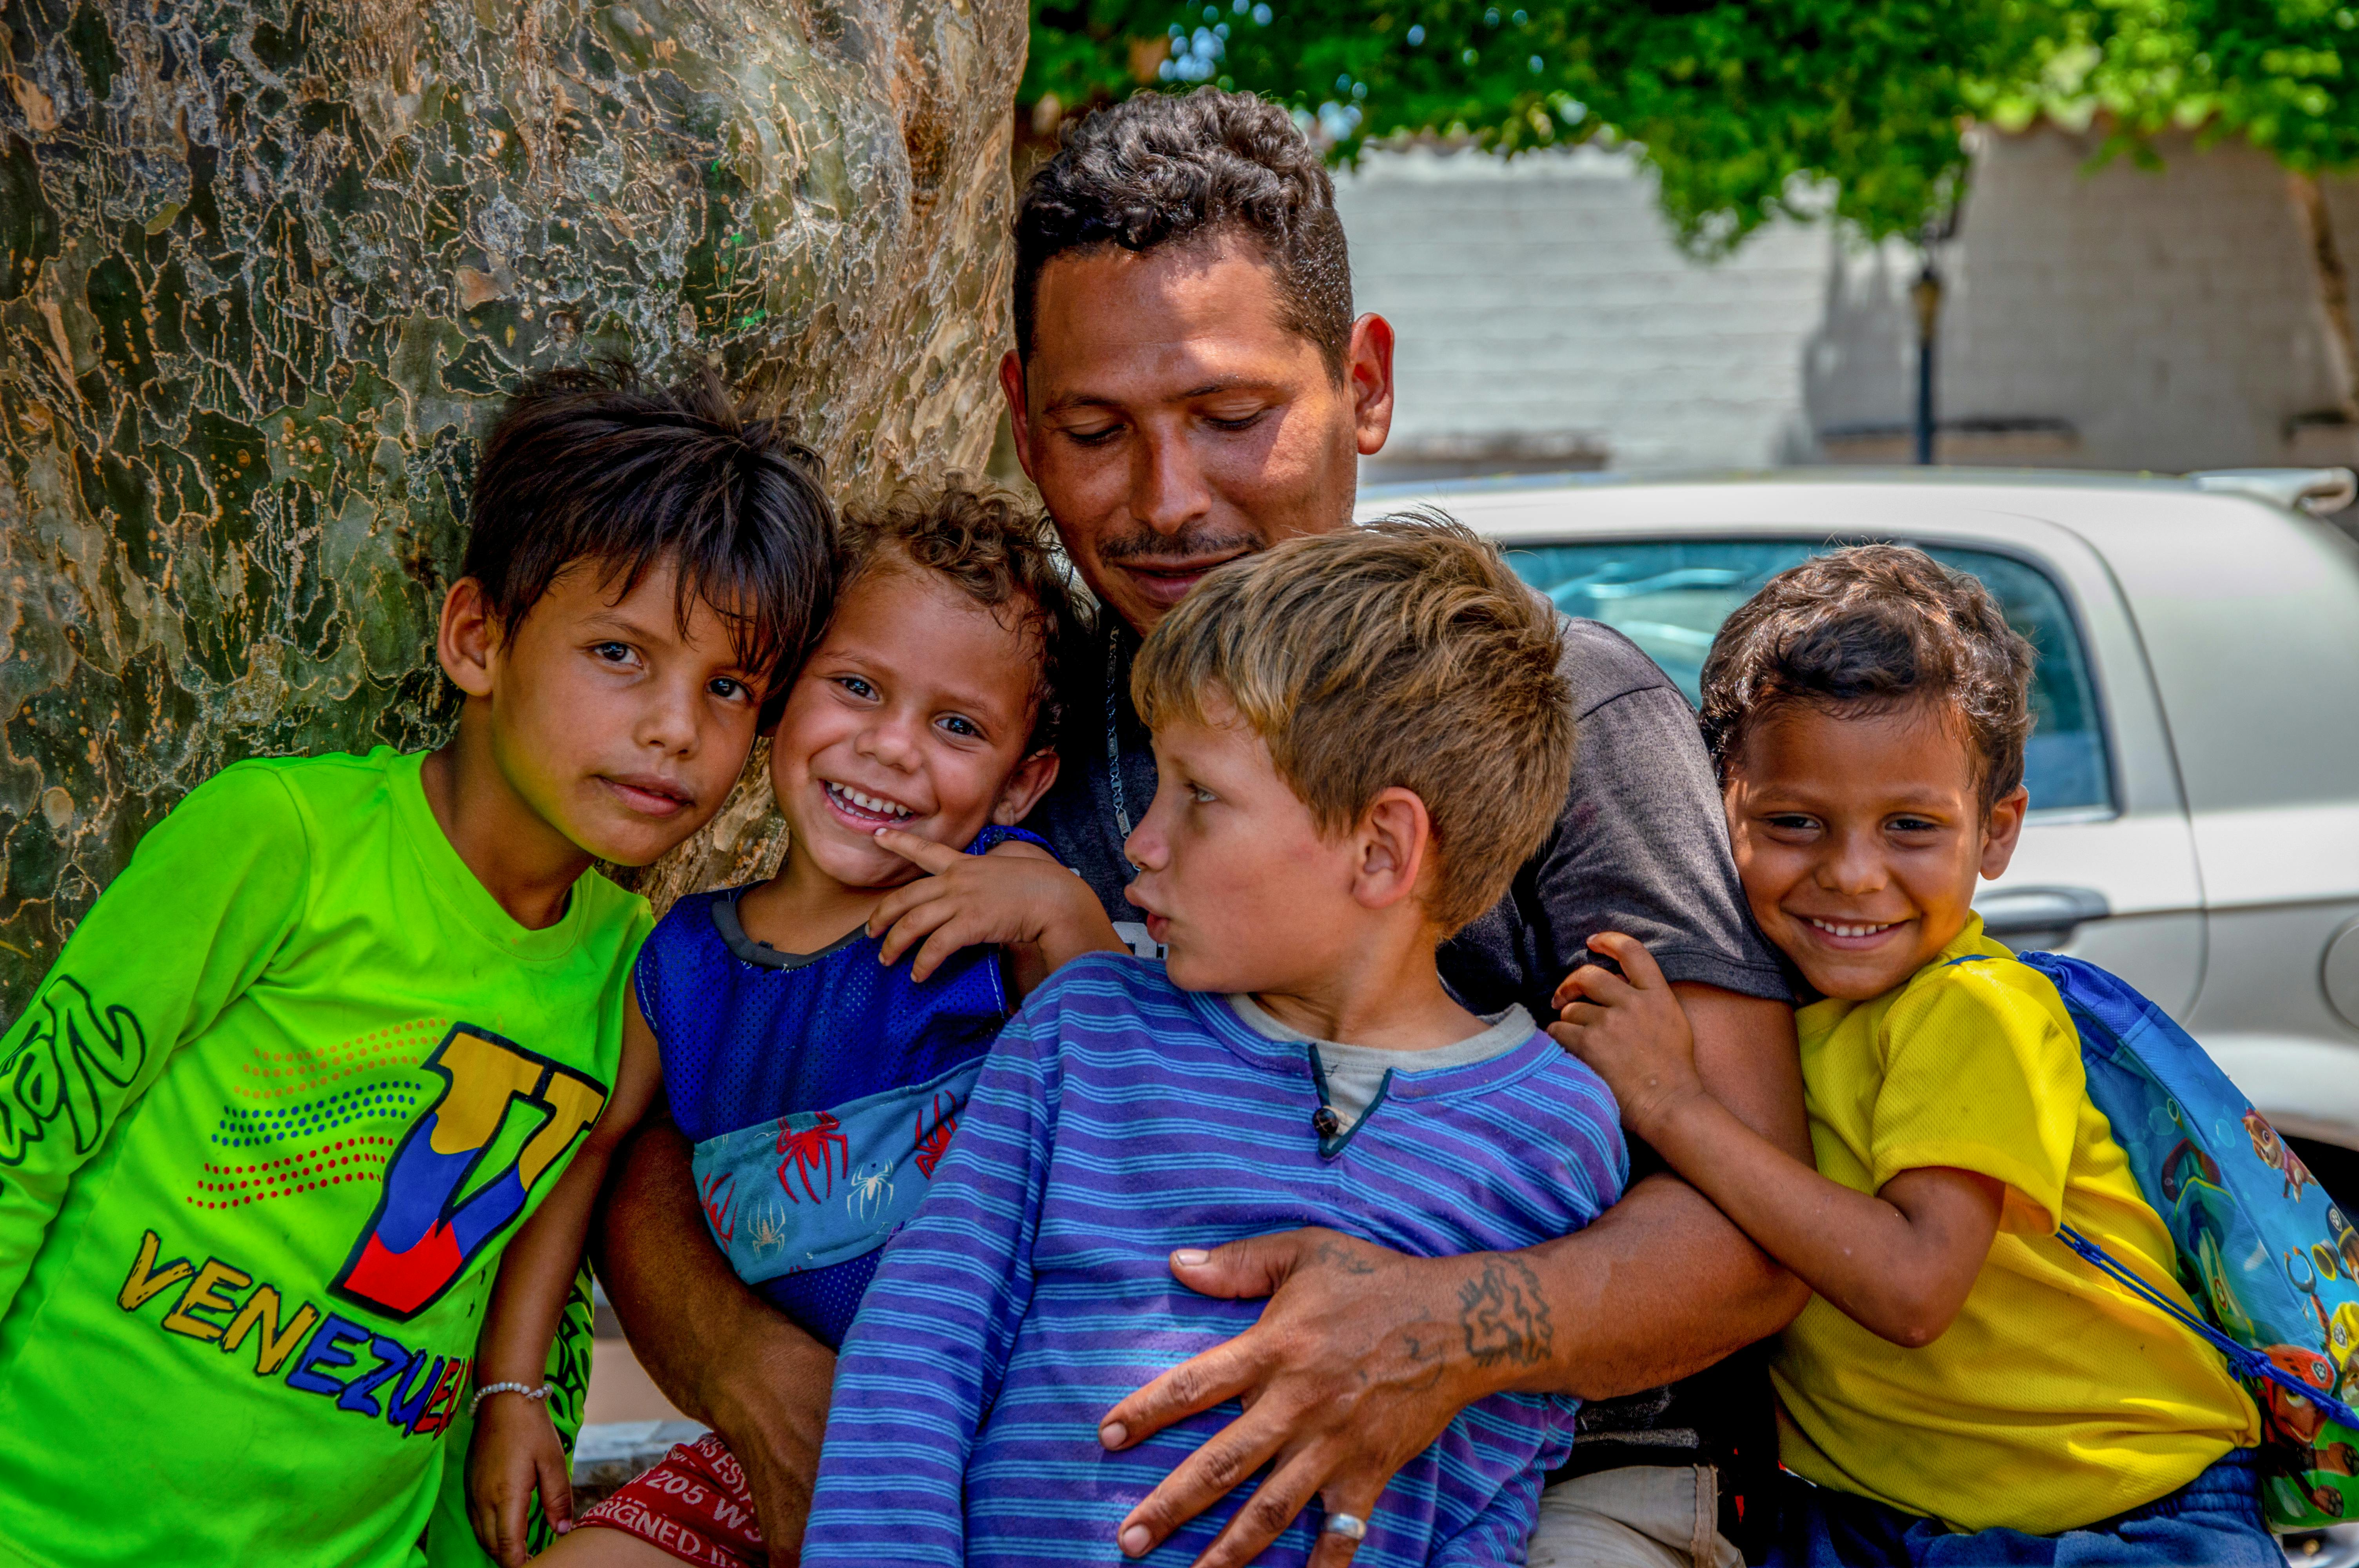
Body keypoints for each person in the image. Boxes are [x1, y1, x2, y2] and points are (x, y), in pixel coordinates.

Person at [596, 88, 1809, 1568]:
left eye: (1233, 419)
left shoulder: (1555, 713)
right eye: (1094, 431)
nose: (1170, 501)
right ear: (1018, 422)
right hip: (1017, 1467)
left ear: (1362, 384)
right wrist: (760, 1378)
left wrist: (1435, 1333)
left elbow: (1758, 1233)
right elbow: (692, 1077)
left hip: (1553, 1485)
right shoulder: (990, 719)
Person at [0, 365, 836, 1567]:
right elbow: (29, 1144)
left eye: (729, 688)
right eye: (619, 654)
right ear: (477, 638)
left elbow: (522, 1292)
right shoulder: (283, 843)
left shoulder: (634, 974)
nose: (677, 730)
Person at [801, 515, 1629, 1567]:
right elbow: (925, 1338)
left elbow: (1499, 1482)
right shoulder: (1083, 1030)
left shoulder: (1551, 1131)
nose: (1142, 844)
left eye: (1200, 798)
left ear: (1381, 851)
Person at [1558, 545, 2277, 1566]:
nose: (1852, 875)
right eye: (1795, 823)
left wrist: (1675, 1106)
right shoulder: (1767, 1018)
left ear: (1998, 833)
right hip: (1875, 1516)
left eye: (1910, 827)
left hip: (2120, 1521)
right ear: (1715, 811)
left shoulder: (1976, 1010)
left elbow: (1911, 1289)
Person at [477, 483, 1123, 1568]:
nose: (890, 748)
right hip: (780, 1443)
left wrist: (1059, 912)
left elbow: (1129, 1098)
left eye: (957, 726)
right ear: (781, 700)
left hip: (1014, 1443)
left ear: (1024, 783)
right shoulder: (681, 964)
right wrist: (511, 1388)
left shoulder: (996, 930)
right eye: (857, 687)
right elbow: (580, 1158)